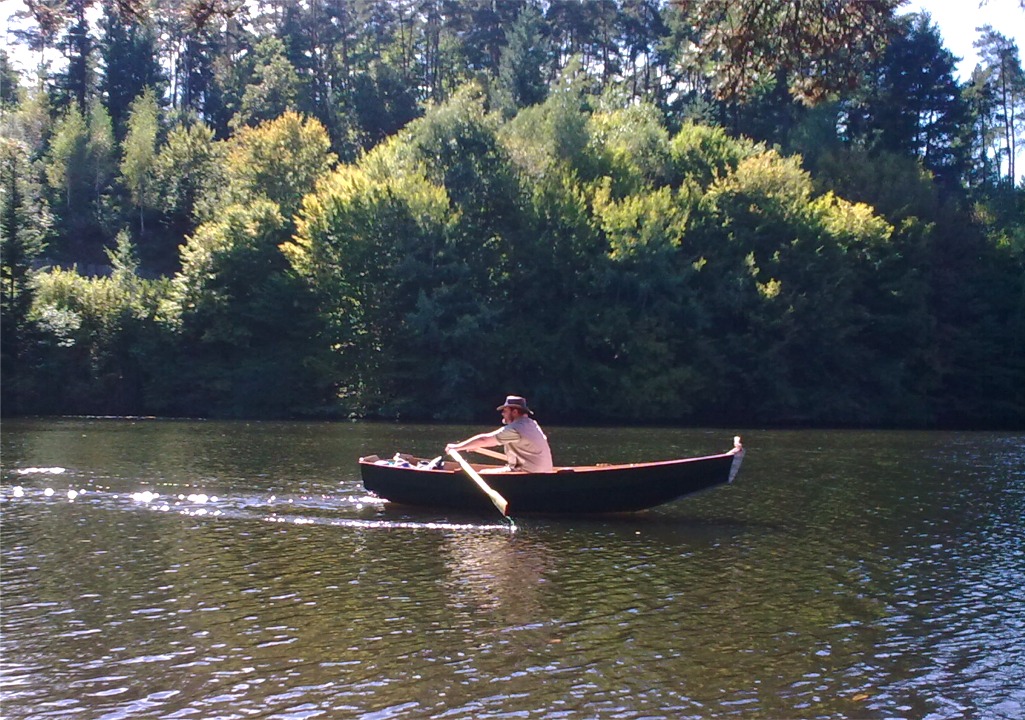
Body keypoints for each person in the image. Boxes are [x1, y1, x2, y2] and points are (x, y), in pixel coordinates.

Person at [446, 395, 554, 473]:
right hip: (544, 472)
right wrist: (475, 446)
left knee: (483, 473)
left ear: (515, 412)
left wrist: (457, 447)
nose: (502, 414)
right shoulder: (532, 424)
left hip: (528, 473)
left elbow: (484, 440)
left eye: (505, 411)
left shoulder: (515, 429)